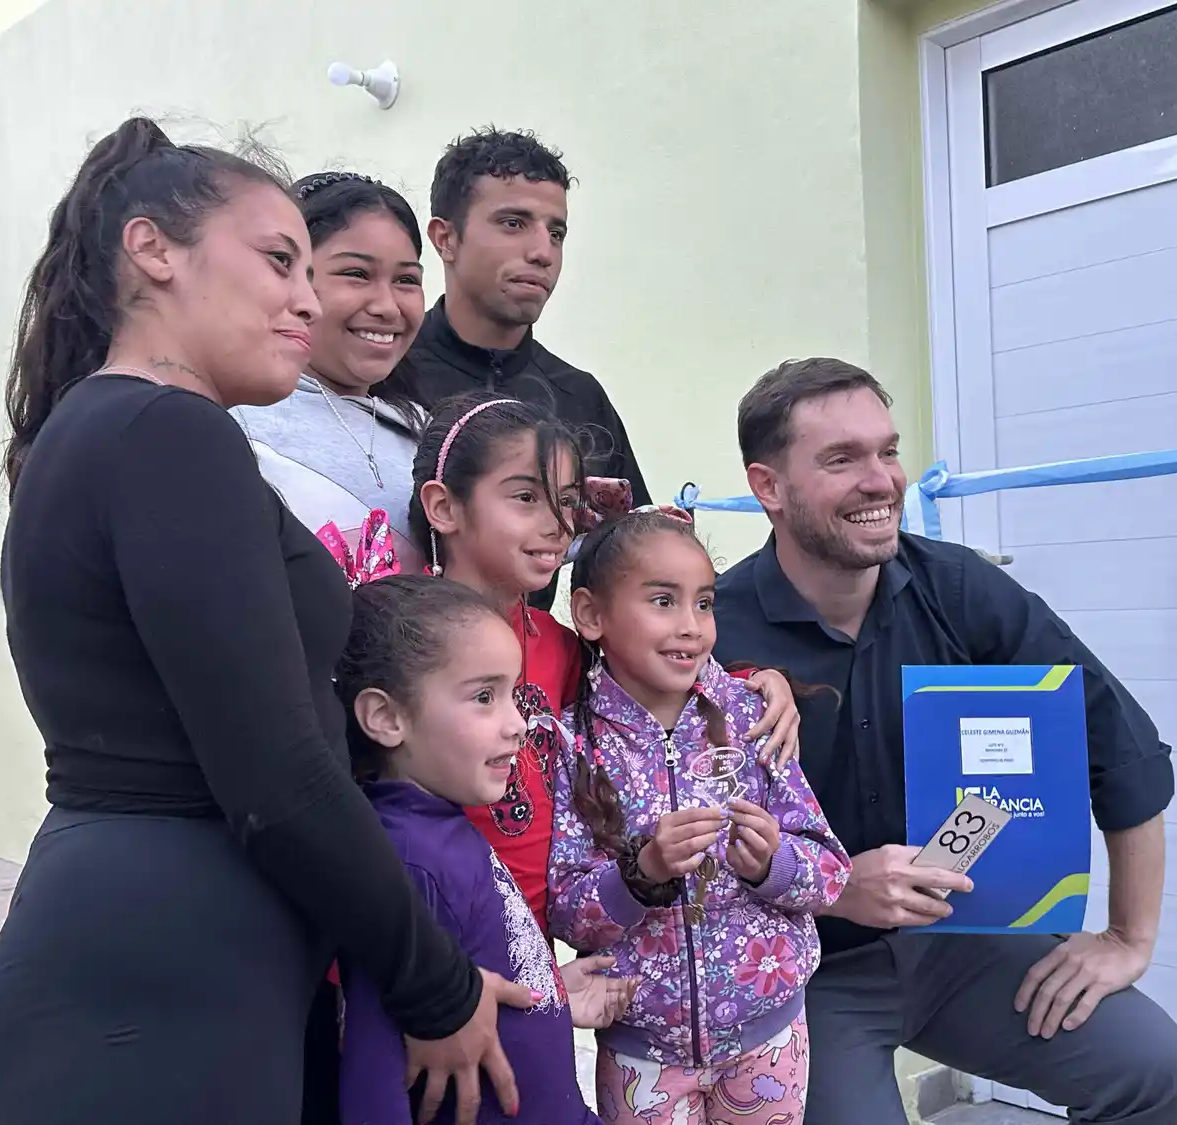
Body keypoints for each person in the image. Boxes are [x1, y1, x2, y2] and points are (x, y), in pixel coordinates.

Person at [0, 117, 527, 1125]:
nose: (306, 301)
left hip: (157, 965)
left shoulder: (115, 429)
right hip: (158, 989)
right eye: (281, 261)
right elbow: (275, 771)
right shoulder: (168, 434)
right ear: (153, 250)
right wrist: (434, 982)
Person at [711, 358, 1177, 1125]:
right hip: (805, 967)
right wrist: (838, 886)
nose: (882, 480)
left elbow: (1122, 748)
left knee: (1155, 1070)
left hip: (962, 941)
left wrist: (1127, 936)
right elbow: (670, 841)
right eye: (842, 459)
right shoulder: (712, 629)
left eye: (887, 449)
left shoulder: (964, 592)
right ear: (768, 487)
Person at [408, 393, 803, 935]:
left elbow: (650, 681)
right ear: (444, 507)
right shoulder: (401, 642)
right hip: (429, 944)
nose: (555, 524)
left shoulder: (558, 647)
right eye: (526, 497)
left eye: (566, 502)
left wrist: (755, 683)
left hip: (532, 954)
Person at [546, 508, 851, 1125]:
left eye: (704, 603)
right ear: (590, 615)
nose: (691, 627)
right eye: (663, 601)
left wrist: (776, 863)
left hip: (771, 1039)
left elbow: (831, 873)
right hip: (642, 1055)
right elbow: (566, 909)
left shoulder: (752, 717)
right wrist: (643, 870)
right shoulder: (571, 743)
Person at [336, 575, 628, 1124]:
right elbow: (372, 1080)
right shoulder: (405, 862)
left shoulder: (438, 828)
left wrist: (548, 1000)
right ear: (386, 717)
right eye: (483, 697)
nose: (518, 724)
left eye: (513, 695)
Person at [404, 127, 650, 610]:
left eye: (555, 232)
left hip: (536, 672)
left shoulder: (579, 395)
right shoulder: (385, 376)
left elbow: (635, 567)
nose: (542, 252)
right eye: (514, 223)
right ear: (445, 238)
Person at [231, 171, 430, 574]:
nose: (388, 307)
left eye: (407, 280)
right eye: (357, 274)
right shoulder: (235, 419)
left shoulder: (429, 434)